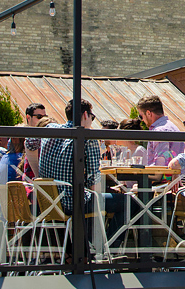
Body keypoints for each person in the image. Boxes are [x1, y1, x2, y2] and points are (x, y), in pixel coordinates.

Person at [39, 99, 126, 247]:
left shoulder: (50, 131)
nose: (92, 121)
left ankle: (88, 250)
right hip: (73, 203)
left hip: (49, 202)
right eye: (92, 118)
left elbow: (29, 142)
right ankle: (108, 248)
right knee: (128, 202)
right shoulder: (87, 138)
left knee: (92, 199)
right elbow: (94, 183)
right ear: (86, 115)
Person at [136, 95, 184, 166]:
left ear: (149, 113)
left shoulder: (159, 131)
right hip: (175, 175)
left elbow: (160, 165)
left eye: (141, 116)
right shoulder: (172, 127)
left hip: (164, 176)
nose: (142, 120)